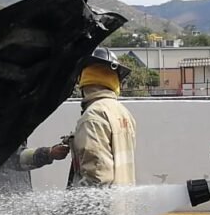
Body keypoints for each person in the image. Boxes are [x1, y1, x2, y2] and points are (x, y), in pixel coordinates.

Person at [20, 47, 137, 189]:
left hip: (101, 210)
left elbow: (97, 176)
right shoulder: (123, 113)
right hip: (122, 205)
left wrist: (78, 207)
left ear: (83, 80)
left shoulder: (93, 116)